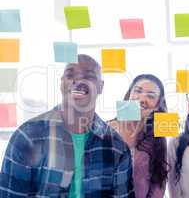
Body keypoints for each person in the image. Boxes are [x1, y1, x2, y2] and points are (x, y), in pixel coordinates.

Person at [0, 54, 135, 197]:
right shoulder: (28, 136)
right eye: (70, 75)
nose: (78, 81)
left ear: (100, 87)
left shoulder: (116, 146)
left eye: (88, 76)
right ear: (61, 83)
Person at [107, 74, 168, 198]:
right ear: (129, 95)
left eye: (150, 96)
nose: (141, 98)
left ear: (157, 105)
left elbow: (159, 182)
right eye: (137, 91)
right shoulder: (106, 129)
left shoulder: (158, 136)